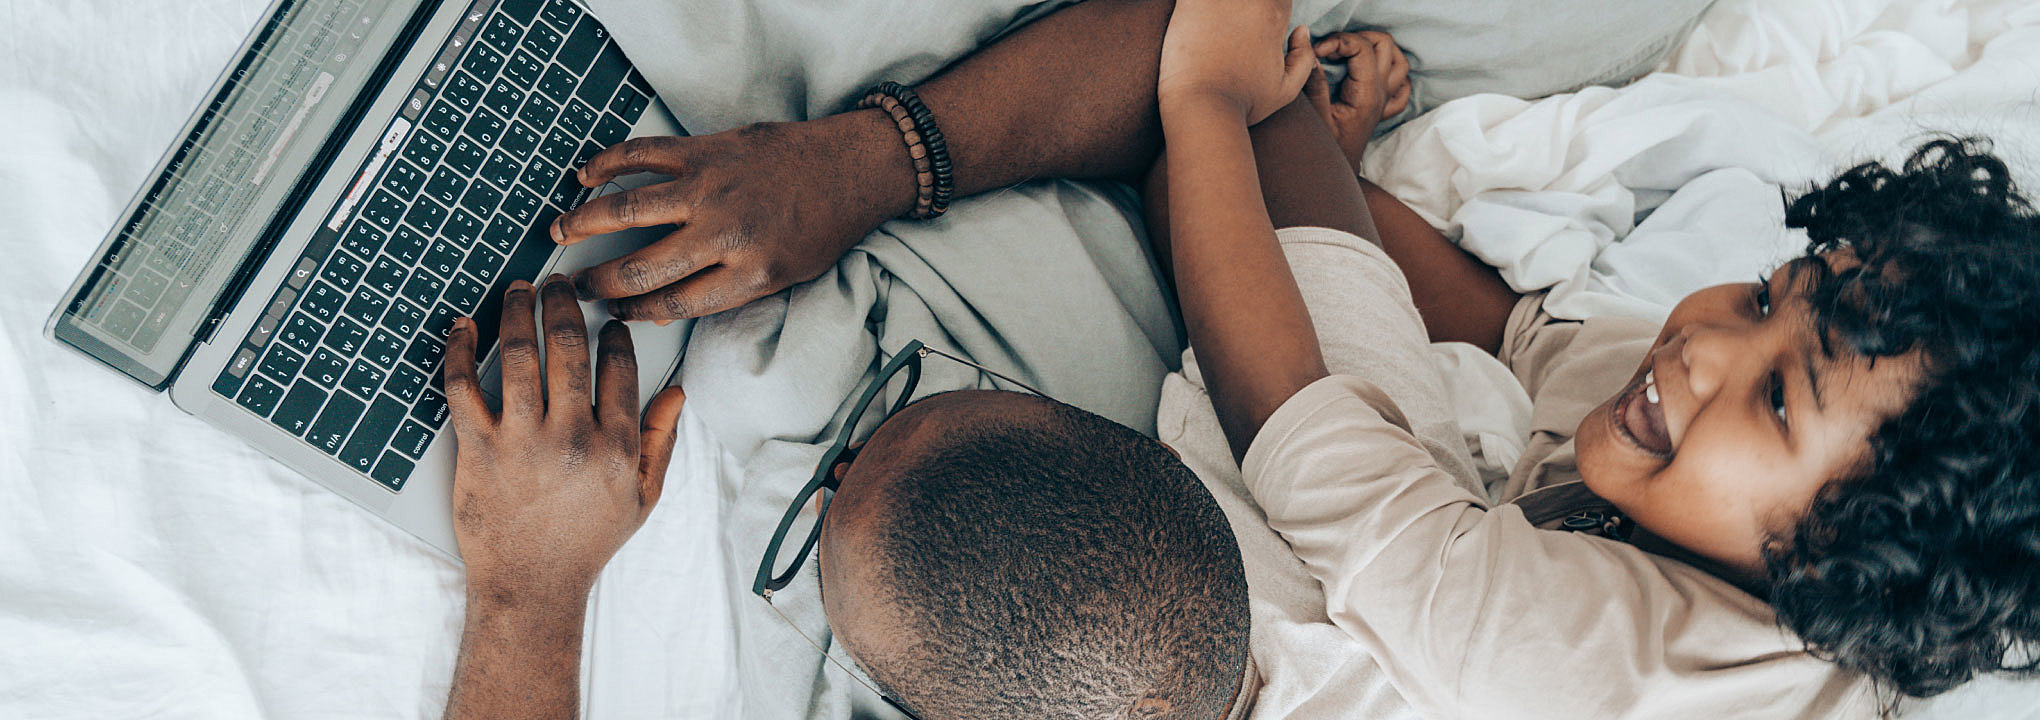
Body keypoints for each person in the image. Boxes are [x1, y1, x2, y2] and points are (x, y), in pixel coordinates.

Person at [440, 2, 2040, 720]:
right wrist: (1315, 153)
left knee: (1228, 113)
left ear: (1846, 567)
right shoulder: (1681, 429)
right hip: (1365, 548)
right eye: (1770, 290)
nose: (1705, 338)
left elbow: (1315, 447)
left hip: (1338, 573)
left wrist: (532, 593)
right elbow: (1518, 335)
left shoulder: (1603, 676)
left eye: (1774, 390)